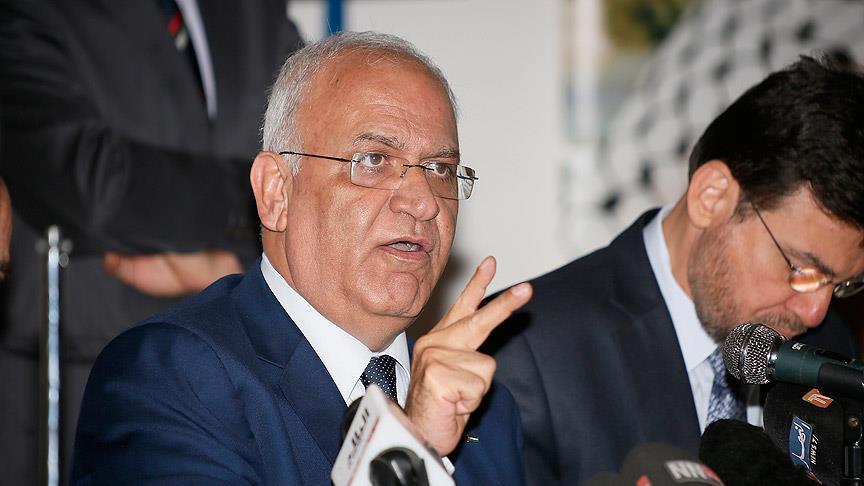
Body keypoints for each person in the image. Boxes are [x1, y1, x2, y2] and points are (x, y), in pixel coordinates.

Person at [72, 31, 532, 484]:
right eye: (374, 160)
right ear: (276, 192)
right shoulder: (174, 377)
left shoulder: (485, 413)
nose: (424, 201)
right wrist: (412, 453)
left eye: (440, 169)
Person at [485, 55, 864, 485]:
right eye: (802, 269)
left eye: (843, 284)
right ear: (711, 197)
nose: (816, 312)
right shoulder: (527, 351)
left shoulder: (830, 349)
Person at [0, 0, 302, 482]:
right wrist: (262, 194)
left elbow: (315, 179)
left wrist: (228, 267)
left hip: (248, 385)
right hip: (69, 384)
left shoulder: (256, 11)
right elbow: (90, 186)